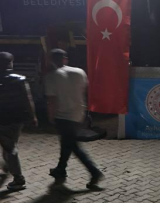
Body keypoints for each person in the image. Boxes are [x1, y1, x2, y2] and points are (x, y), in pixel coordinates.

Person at [46, 49, 103, 189]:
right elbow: (84, 90)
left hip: (62, 115)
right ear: (65, 59)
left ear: (52, 60)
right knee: (67, 142)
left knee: (73, 145)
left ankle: (94, 172)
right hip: (78, 113)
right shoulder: (79, 72)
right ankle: (60, 169)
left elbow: (52, 100)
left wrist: (51, 116)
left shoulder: (51, 77)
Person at [0, 52, 37, 191]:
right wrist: (33, 116)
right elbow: (28, 100)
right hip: (16, 119)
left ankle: (18, 178)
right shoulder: (20, 80)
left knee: (10, 148)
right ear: (10, 63)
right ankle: (12, 170)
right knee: (10, 145)